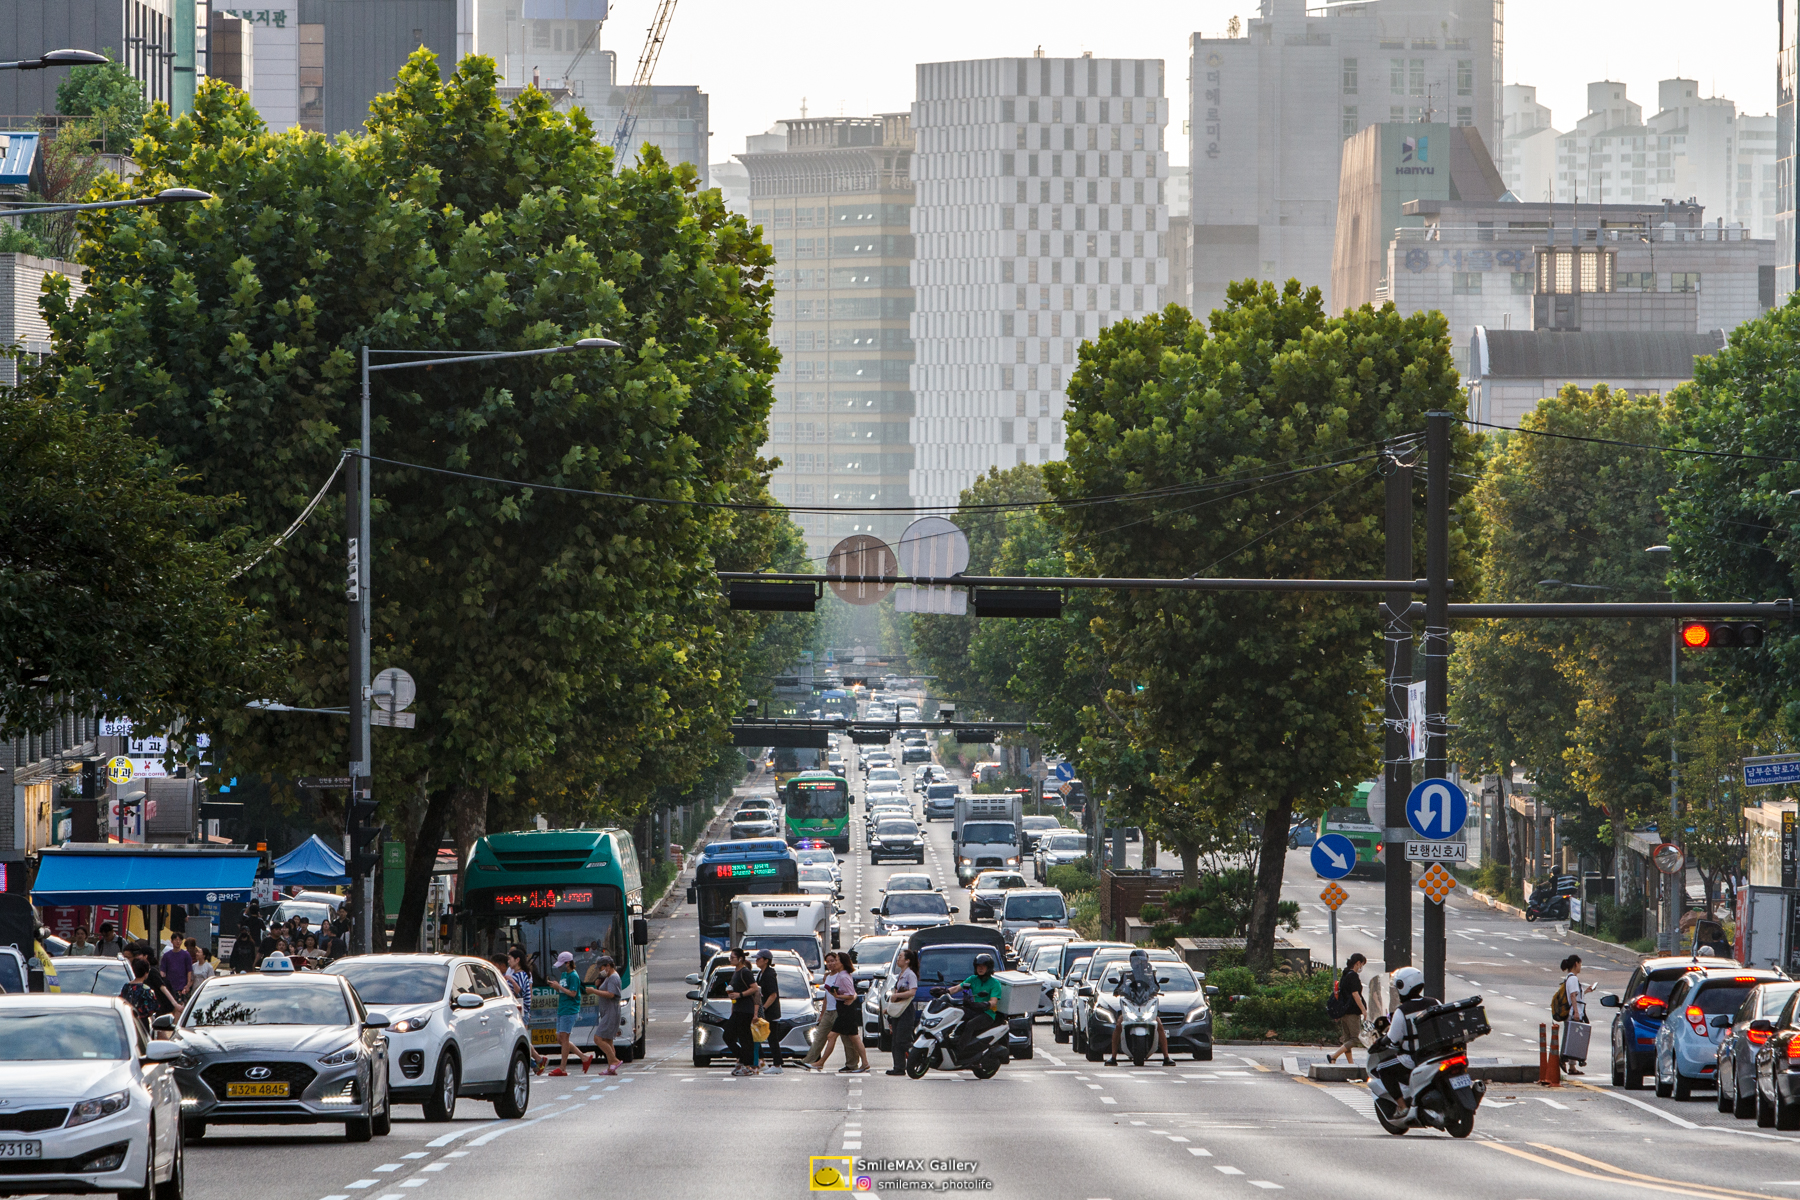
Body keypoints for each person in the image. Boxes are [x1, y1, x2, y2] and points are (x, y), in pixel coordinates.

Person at [1377, 966, 1440, 1119]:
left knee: (1382, 1068)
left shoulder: (1402, 1011)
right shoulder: (1435, 1002)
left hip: (1413, 1058)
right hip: (1436, 1053)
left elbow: (1393, 1039)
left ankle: (1402, 1106)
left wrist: (1380, 1042)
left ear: (1403, 986)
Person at [1107, 948, 1175, 1067]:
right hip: (1132, 1005)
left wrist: (1155, 991)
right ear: (1131, 962)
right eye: (1136, 961)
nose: (1139, 963)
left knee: (1158, 1023)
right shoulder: (1127, 975)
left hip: (1145, 1005)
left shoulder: (1150, 975)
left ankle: (1166, 1057)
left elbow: (1156, 987)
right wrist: (1118, 991)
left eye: (1141, 961)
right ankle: (1113, 1057)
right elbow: (1119, 987)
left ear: (1146, 961)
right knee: (1119, 1024)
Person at [545, 950, 593, 1076]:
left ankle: (562, 1068)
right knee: (560, 1039)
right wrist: (556, 987)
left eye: (561, 964)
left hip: (570, 1010)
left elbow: (573, 993)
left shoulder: (573, 976)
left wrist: (559, 987)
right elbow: (564, 991)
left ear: (568, 963)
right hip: (562, 1009)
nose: (559, 967)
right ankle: (584, 1057)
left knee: (565, 1038)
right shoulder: (564, 975)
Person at [954, 953, 1005, 1067]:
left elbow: (993, 1002)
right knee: (956, 1016)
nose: (980, 968)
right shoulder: (973, 979)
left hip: (988, 1014)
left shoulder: (994, 983)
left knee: (970, 1025)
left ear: (989, 968)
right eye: (978, 966)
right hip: (975, 1011)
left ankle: (959, 1052)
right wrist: (944, 991)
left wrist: (985, 1004)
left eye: (983, 966)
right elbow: (958, 988)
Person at [505, 949, 550, 1074]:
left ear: (517, 960)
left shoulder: (518, 975)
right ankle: (536, 1063)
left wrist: (511, 980)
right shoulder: (523, 974)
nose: (508, 962)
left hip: (520, 1012)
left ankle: (538, 1060)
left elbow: (518, 991)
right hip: (522, 1011)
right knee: (521, 1039)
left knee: (521, 1039)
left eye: (510, 959)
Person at [825, 952, 868, 1074]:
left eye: (837, 960)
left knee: (836, 1036)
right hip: (843, 1009)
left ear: (842, 963)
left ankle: (820, 1062)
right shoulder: (841, 975)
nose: (835, 963)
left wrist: (838, 996)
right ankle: (864, 1062)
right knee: (853, 1037)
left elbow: (851, 994)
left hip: (846, 1011)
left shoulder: (844, 976)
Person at [801, 951, 843, 1072]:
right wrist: (822, 1013)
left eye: (832, 961)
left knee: (848, 1038)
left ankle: (852, 1063)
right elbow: (826, 997)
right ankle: (808, 1061)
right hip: (828, 1011)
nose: (830, 964)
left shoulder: (841, 975)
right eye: (828, 962)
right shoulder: (827, 977)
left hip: (839, 1011)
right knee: (819, 1036)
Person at [724, 947, 761, 1077]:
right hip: (737, 1009)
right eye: (730, 957)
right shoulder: (736, 972)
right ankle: (742, 1058)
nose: (730, 960)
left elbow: (755, 988)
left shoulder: (745, 972)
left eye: (732, 957)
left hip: (745, 1010)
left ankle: (746, 1064)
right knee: (729, 1035)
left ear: (740, 959)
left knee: (745, 1038)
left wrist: (740, 995)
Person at [1326, 953, 1368, 1065]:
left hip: (1344, 1011)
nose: (1361, 967)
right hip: (1352, 1011)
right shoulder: (1353, 976)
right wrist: (1363, 1010)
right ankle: (1333, 1056)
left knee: (1347, 1039)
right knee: (1355, 1039)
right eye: (1361, 964)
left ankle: (1351, 1064)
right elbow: (1355, 994)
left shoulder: (1345, 974)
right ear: (1357, 963)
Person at [885, 948, 921, 1076]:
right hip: (898, 1009)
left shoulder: (910, 974)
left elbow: (912, 992)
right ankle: (898, 1067)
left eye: (900, 957)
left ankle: (917, 1055)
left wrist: (897, 995)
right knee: (895, 1041)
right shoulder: (900, 975)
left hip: (906, 1009)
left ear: (907, 960)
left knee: (902, 1039)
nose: (898, 959)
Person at [1558, 954, 1595, 1076]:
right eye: (1580, 964)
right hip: (1573, 1013)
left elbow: (1576, 995)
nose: (1580, 967)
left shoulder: (1569, 978)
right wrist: (1576, 1012)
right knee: (1573, 1039)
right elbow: (1573, 996)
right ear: (1576, 964)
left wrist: (1586, 992)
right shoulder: (1573, 979)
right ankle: (1564, 1058)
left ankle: (1572, 1066)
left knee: (1573, 1038)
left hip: (1572, 1012)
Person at [752, 949, 785, 1074]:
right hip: (765, 1011)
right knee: (757, 1036)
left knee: (772, 1038)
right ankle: (762, 1061)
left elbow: (773, 995)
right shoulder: (761, 973)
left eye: (759, 959)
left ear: (766, 960)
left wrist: (764, 1008)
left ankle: (777, 1064)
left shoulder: (769, 974)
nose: (756, 961)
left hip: (770, 1012)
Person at [590, 955, 624, 1076]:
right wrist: (598, 985)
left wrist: (594, 991)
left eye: (601, 968)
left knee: (598, 1038)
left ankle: (614, 1061)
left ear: (608, 966)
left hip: (611, 1012)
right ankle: (611, 1068)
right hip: (608, 1012)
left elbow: (611, 994)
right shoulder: (609, 977)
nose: (600, 971)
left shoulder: (613, 977)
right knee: (608, 1040)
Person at [121, 958, 159, 1024]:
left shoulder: (126, 986)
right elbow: (152, 1009)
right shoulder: (146, 989)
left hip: (127, 1020)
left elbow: (121, 1000)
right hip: (142, 1022)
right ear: (146, 973)